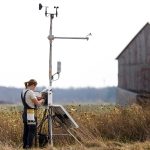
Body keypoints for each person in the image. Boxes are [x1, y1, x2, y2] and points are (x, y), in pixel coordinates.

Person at [21, 79, 45, 149]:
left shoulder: (24, 91)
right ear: (33, 85)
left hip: (25, 112)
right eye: (35, 87)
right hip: (30, 113)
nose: (35, 88)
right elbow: (37, 104)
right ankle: (29, 146)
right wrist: (42, 100)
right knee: (32, 130)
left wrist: (38, 98)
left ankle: (25, 146)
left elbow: (29, 98)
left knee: (26, 130)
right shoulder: (30, 92)